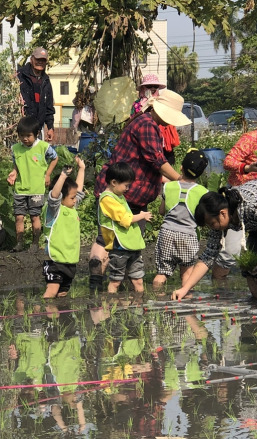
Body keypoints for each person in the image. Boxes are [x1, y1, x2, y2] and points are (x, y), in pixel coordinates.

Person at [89, 91, 191, 290]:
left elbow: (145, 165)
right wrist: (181, 180)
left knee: (114, 238)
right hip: (122, 191)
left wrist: (165, 181)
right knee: (114, 239)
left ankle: (107, 285)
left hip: (128, 192)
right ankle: (101, 283)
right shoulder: (147, 125)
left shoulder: (146, 122)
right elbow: (157, 161)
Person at [172, 179, 257, 302]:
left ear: (223, 213)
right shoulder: (220, 219)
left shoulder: (251, 205)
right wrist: (185, 289)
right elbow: (208, 256)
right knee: (251, 266)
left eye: (212, 224)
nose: (212, 228)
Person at [152, 149, 208, 292]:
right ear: (201, 174)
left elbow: (161, 211)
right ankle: (185, 301)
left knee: (162, 273)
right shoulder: (203, 192)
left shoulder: (168, 186)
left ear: (181, 167)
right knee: (187, 274)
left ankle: (156, 298)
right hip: (188, 236)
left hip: (167, 233)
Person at [7, 116, 58, 252]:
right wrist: (14, 172)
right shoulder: (16, 148)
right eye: (21, 135)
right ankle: (19, 243)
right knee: (19, 217)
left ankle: (35, 244)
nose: (25, 139)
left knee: (35, 216)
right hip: (20, 189)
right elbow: (16, 164)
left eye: (28, 136)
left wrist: (47, 174)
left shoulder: (43, 147)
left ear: (36, 134)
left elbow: (55, 158)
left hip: (36, 189)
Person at [99, 163, 152, 293]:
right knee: (116, 281)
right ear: (114, 182)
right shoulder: (107, 199)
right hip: (119, 247)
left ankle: (140, 304)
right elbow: (124, 219)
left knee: (138, 279)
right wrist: (141, 215)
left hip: (131, 245)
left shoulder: (119, 196)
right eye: (126, 185)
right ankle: (110, 303)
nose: (127, 189)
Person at [41, 156, 86, 298]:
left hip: (70, 260)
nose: (75, 200)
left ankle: (58, 312)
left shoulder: (71, 207)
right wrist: (63, 175)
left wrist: (81, 169)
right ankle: (43, 311)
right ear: (62, 197)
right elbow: (54, 197)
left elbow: (78, 191)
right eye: (72, 198)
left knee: (63, 293)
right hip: (55, 260)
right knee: (52, 290)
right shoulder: (54, 210)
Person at [132, 74, 180, 164]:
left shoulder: (162, 102)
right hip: (146, 136)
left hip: (164, 136)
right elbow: (134, 121)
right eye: (149, 86)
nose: (153, 88)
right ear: (143, 88)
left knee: (167, 160)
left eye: (155, 86)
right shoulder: (137, 104)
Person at [17, 47, 55, 142]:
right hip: (21, 129)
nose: (40, 62)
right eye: (38, 59)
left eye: (43, 60)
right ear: (31, 59)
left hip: (37, 129)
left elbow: (49, 106)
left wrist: (50, 127)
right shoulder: (20, 76)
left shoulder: (46, 80)